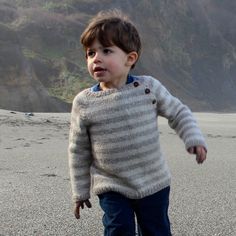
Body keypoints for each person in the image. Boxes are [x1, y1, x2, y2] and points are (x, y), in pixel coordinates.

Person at [68, 9, 207, 236]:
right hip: (112, 184)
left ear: (130, 58)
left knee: (156, 230)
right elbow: (78, 151)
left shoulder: (147, 88)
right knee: (118, 229)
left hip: (154, 181)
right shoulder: (84, 102)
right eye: (90, 53)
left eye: (106, 50)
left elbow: (178, 112)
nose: (96, 58)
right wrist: (80, 191)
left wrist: (193, 138)